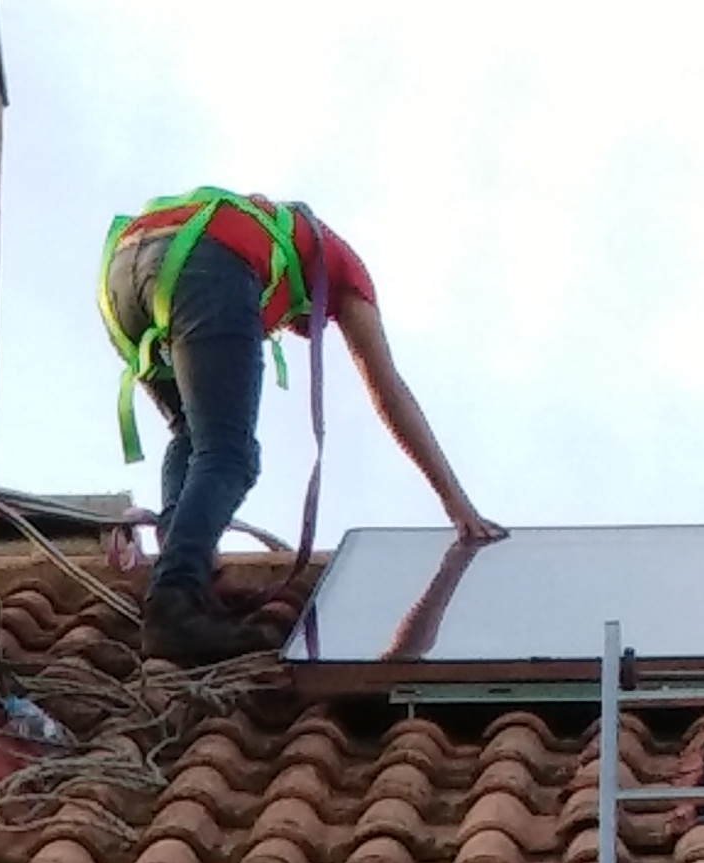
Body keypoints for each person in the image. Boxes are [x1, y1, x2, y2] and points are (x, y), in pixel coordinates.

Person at [99, 187, 506, 667]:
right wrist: (457, 504)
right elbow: (388, 389)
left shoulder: (276, 234)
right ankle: (174, 603)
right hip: (201, 263)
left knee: (191, 435)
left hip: (123, 270)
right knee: (229, 454)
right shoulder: (345, 271)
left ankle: (189, 580)